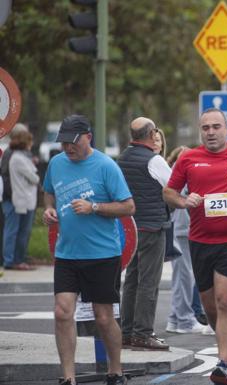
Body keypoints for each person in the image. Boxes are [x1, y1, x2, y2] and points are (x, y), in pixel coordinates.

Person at [164, 108, 227, 385]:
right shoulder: (188, 158)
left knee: (226, 300)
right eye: (206, 128)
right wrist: (184, 201)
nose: (211, 132)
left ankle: (224, 362)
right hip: (201, 240)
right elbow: (168, 192)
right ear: (200, 130)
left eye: (216, 126)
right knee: (209, 308)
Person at [42, 115, 135, 385]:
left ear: (88, 137)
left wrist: (94, 207)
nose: (68, 148)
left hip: (102, 254)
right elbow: (49, 192)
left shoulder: (106, 166)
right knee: (62, 311)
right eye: (64, 143)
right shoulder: (57, 164)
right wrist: (48, 209)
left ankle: (115, 371)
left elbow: (128, 207)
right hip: (67, 253)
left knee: (103, 317)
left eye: (73, 142)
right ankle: (68, 378)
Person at [118, 117, 173, 350]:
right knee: (148, 282)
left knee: (131, 280)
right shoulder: (155, 161)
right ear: (151, 135)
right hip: (151, 227)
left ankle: (127, 332)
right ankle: (143, 333)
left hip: (130, 229)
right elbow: (173, 187)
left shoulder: (122, 158)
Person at [164, 146, 205, 334]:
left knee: (182, 275)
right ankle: (184, 319)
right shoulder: (178, 175)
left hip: (180, 228)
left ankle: (175, 318)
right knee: (185, 275)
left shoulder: (178, 173)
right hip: (182, 229)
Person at [4, 130, 38, 270]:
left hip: (24, 199)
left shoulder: (20, 157)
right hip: (23, 199)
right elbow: (34, 177)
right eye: (30, 141)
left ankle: (14, 259)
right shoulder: (19, 158)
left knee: (18, 231)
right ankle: (14, 260)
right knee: (20, 232)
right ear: (25, 143)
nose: (31, 144)